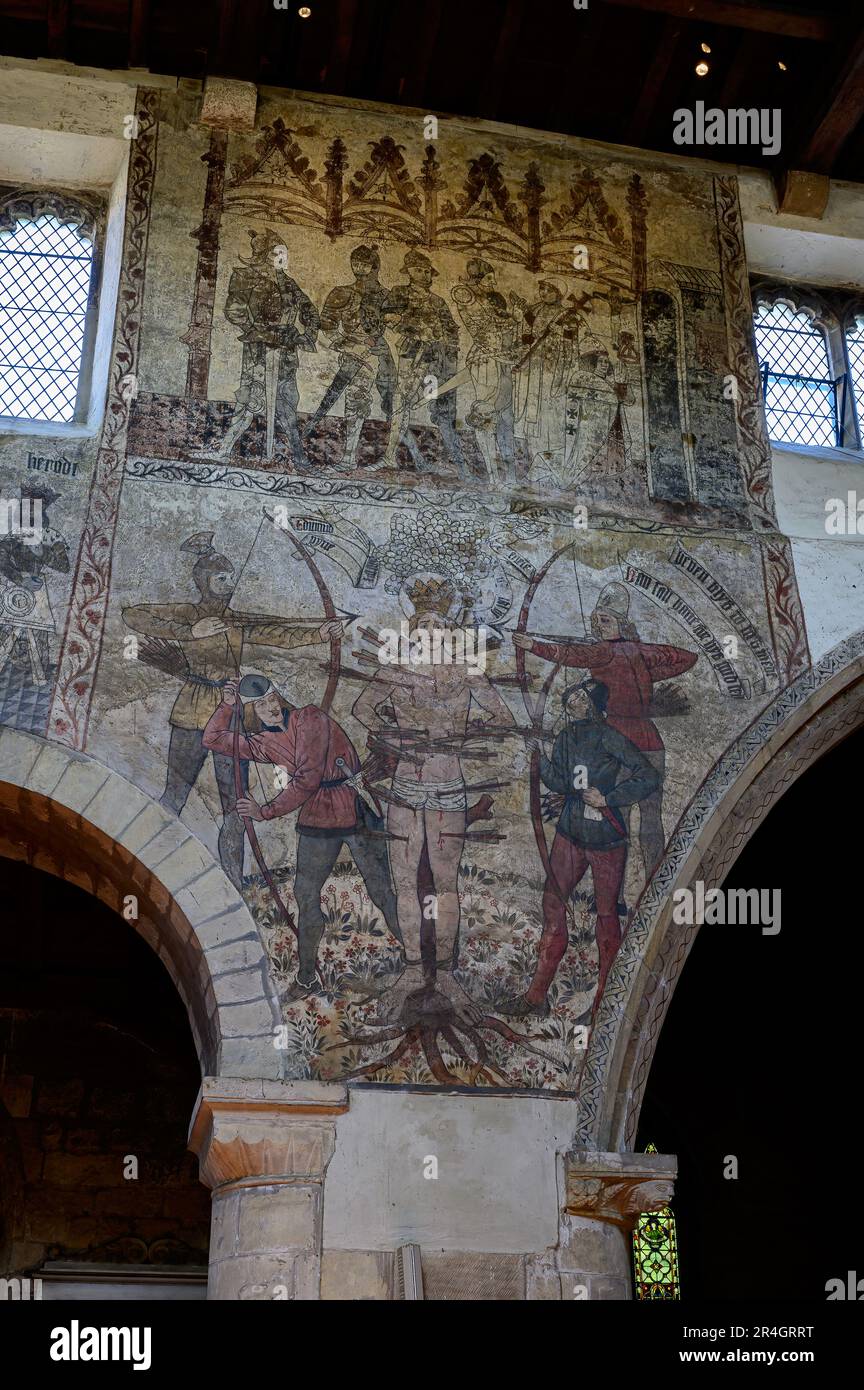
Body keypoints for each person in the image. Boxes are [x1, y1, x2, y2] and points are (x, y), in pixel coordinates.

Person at [123, 533, 342, 890]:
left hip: (232, 721)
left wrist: (320, 633)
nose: (227, 584)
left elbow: (277, 634)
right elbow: (134, 615)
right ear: (203, 582)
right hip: (192, 713)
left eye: (229, 577)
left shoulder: (235, 619)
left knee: (235, 806)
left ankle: (232, 882)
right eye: (220, 578)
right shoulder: (189, 613)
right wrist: (190, 629)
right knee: (174, 796)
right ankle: (142, 871)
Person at [351, 577, 516, 1025]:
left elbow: (502, 716)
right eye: (421, 627)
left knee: (445, 884)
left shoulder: (467, 674)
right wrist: (394, 732)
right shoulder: (397, 671)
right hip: (405, 787)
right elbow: (361, 708)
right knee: (406, 883)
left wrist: (459, 737)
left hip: (447, 786)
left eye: (437, 627)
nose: (429, 634)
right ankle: (409, 970)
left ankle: (444, 975)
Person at [203, 673, 400, 997]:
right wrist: (226, 707)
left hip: (352, 807)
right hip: (318, 817)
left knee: (382, 892)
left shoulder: (310, 718)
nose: (270, 709)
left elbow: (308, 778)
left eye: (271, 700)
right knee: (305, 893)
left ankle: (419, 965)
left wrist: (264, 811)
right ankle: (307, 977)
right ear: (251, 712)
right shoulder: (264, 743)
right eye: (261, 706)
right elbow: (213, 740)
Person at [498, 677, 659, 1019]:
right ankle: (536, 996)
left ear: (592, 703)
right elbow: (559, 780)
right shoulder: (566, 737)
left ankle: (605, 1004)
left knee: (605, 916)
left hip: (605, 839)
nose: (572, 699)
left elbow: (647, 775)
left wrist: (609, 798)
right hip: (570, 833)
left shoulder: (609, 736)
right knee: (553, 902)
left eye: (580, 696)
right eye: (573, 695)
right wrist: (538, 759)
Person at [513, 581, 697, 876]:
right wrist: (647, 670)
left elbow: (570, 655)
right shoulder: (638, 651)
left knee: (622, 814)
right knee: (644, 814)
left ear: (621, 623)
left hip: (619, 739)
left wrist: (532, 646)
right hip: (648, 738)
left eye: (606, 619)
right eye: (597, 620)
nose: (600, 625)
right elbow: (687, 658)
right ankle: (651, 881)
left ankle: (628, 891)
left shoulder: (603, 652)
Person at [195, 228, 319, 466]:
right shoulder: (245, 276)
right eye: (277, 253)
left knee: (287, 402)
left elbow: (310, 312)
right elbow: (234, 310)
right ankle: (224, 449)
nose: (282, 259)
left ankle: (301, 459)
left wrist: (306, 335)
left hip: (286, 349)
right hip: (258, 349)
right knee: (249, 398)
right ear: (264, 254)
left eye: (284, 254)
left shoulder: (288, 283)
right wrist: (259, 330)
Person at [379, 250, 469, 478]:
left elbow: (451, 331)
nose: (423, 274)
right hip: (410, 354)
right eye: (418, 270)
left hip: (434, 359)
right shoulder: (399, 293)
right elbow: (389, 318)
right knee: (401, 402)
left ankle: (422, 459)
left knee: (426, 404)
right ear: (408, 272)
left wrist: (440, 339)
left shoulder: (437, 301)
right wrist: (419, 330)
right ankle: (391, 455)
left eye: (427, 271)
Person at [307, 244, 394, 467]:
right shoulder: (341, 293)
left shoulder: (387, 296)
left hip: (379, 353)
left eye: (364, 263)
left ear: (374, 266)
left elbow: (397, 326)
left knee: (391, 401)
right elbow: (327, 325)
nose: (359, 267)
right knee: (355, 399)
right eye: (356, 262)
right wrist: (347, 345)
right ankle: (348, 457)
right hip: (354, 353)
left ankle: (390, 455)